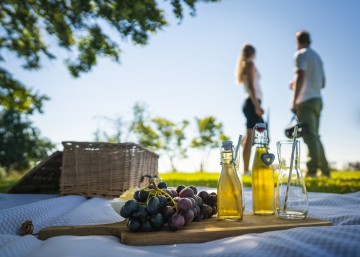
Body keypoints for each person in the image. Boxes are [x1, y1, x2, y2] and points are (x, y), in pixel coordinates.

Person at [290, 31, 330, 177]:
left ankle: (312, 171)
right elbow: (323, 83)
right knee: (315, 136)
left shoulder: (301, 54)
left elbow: (300, 75)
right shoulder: (317, 57)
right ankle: (325, 171)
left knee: (310, 137)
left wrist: (294, 100)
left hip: (305, 100)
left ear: (297, 41)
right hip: (318, 99)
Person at [236, 44, 264, 175]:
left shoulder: (245, 64)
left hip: (251, 103)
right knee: (253, 136)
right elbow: (252, 87)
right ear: (253, 53)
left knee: (253, 136)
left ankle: (247, 166)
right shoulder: (250, 64)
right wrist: (257, 106)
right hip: (252, 103)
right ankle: (246, 170)